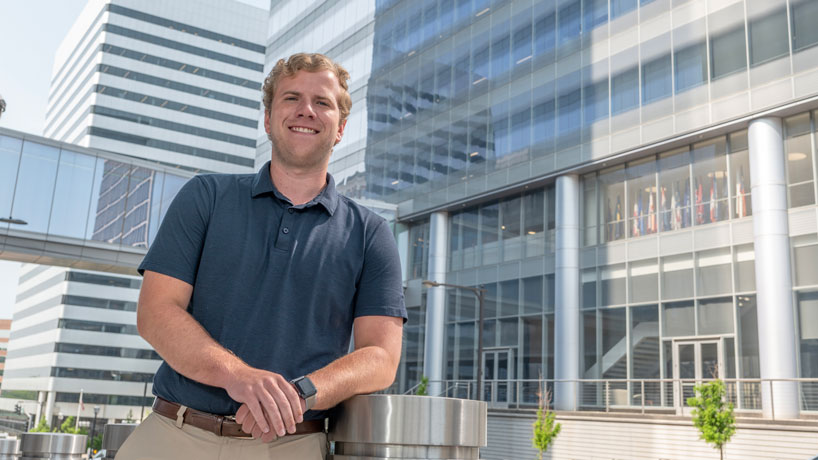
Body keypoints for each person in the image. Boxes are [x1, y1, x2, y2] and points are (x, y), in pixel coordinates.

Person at [115, 53, 406, 459]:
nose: (306, 110)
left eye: (322, 102)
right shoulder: (206, 197)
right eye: (291, 98)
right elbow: (156, 312)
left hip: (292, 444)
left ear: (340, 128)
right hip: (173, 434)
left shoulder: (371, 233)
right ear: (268, 119)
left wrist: (299, 393)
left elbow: (380, 357)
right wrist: (239, 377)